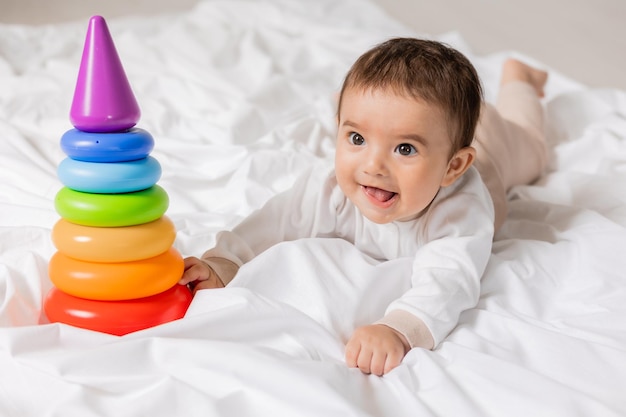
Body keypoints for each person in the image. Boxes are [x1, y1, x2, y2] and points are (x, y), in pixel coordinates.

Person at [179, 38, 548, 376]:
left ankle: (520, 80)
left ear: (453, 167)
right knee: (438, 121)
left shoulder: (459, 211)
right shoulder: (332, 187)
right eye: (357, 138)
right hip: (442, 129)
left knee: (531, 148)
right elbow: (278, 220)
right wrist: (225, 262)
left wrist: (400, 328)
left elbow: (450, 280)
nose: (373, 166)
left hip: (492, 154)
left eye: (405, 149)